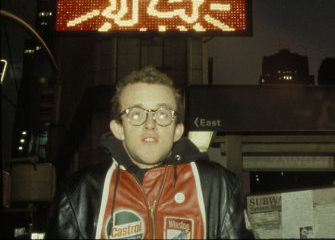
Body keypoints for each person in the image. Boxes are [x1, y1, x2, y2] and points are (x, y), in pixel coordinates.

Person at [47, 66, 253, 239]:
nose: (150, 124)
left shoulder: (219, 186)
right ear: (118, 129)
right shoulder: (78, 194)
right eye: (136, 114)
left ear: (177, 131)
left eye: (162, 113)